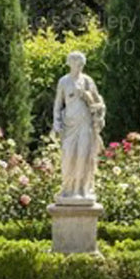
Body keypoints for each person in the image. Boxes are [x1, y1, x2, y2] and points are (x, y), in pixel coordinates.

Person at [52, 51, 105, 201]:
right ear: (70, 64)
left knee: (83, 156)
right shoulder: (64, 81)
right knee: (68, 157)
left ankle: (81, 189)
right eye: (76, 63)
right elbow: (58, 104)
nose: (79, 67)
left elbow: (99, 103)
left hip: (85, 124)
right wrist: (56, 121)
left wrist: (91, 102)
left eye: (81, 64)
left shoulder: (88, 81)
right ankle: (68, 188)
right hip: (69, 125)